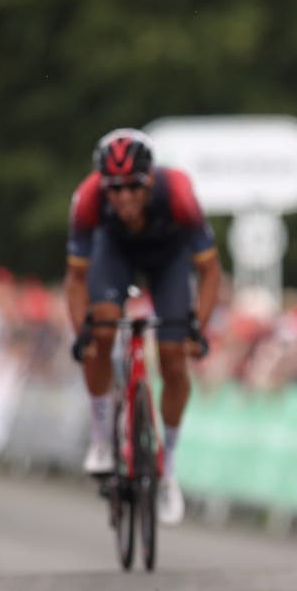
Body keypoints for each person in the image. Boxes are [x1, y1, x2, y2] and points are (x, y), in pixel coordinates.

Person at [66, 128, 221, 525]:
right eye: (114, 189)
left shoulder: (180, 195)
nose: (123, 198)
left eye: (132, 187)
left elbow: (209, 271)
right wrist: (81, 332)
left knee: (172, 357)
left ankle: (166, 470)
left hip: (168, 260)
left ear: (150, 179)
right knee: (100, 333)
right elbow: (76, 280)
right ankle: (102, 438)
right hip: (112, 255)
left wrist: (196, 330)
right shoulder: (87, 199)